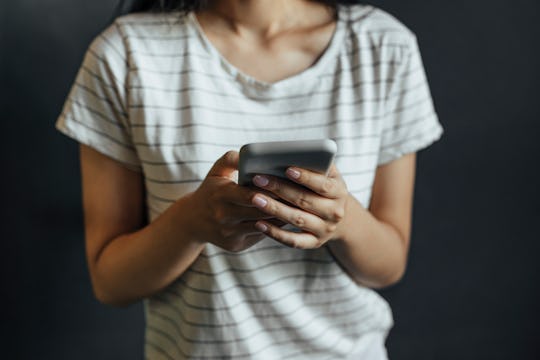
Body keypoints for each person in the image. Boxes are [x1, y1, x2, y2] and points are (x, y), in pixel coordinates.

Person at [56, 0, 443, 358]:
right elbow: (110, 283)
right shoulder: (124, 54)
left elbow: (389, 266)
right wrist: (190, 223)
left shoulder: (384, 48)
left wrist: (343, 220)